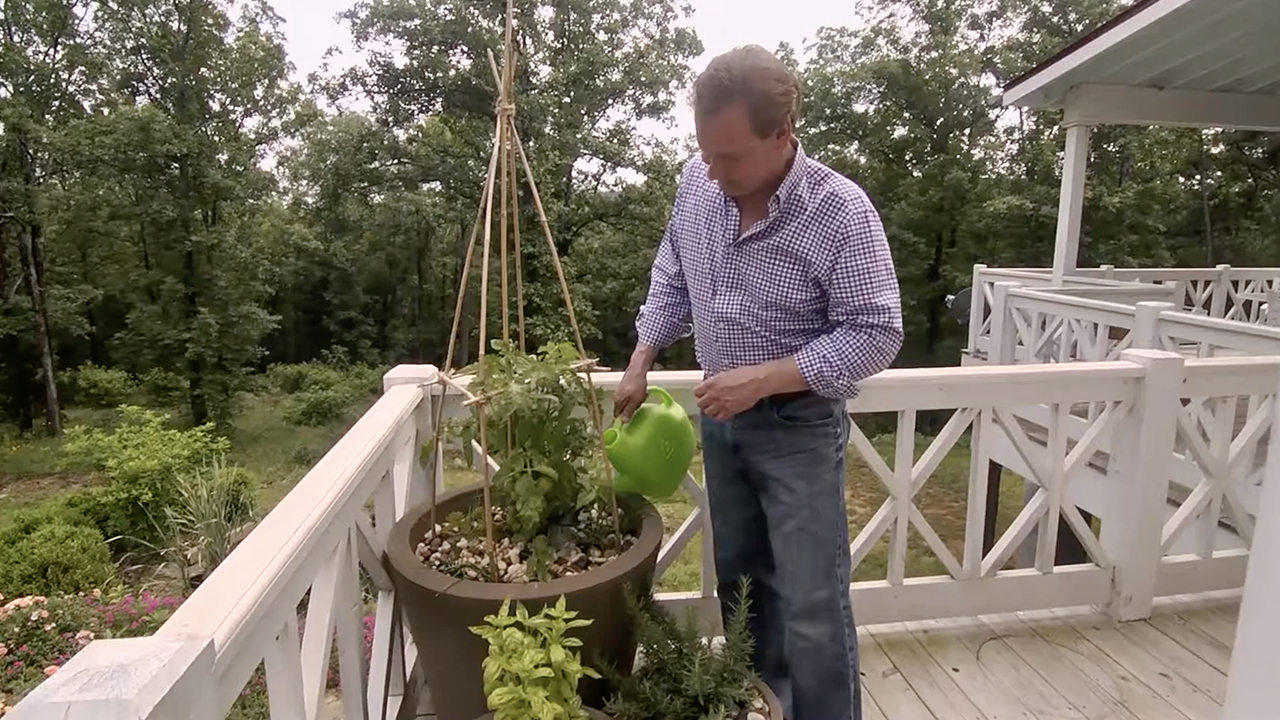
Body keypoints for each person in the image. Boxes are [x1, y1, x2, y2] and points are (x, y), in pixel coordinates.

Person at [612, 45, 903, 720]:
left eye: (731, 157)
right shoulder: (698, 181)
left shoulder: (840, 211)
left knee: (810, 604)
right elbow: (673, 272)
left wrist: (766, 380)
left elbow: (877, 331)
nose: (714, 173)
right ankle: (771, 706)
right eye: (705, 153)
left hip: (799, 429)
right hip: (721, 424)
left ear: (782, 135)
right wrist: (641, 356)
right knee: (744, 591)